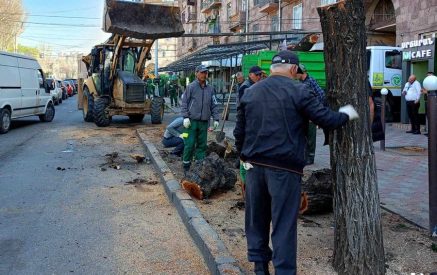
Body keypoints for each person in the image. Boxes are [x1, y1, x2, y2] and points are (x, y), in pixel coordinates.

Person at [234, 50, 359, 275]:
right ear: (293, 69)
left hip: (253, 167)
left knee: (256, 219)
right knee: (283, 225)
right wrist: (348, 114)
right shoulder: (299, 90)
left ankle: (260, 268)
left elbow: (239, 132)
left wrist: (244, 158)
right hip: (284, 169)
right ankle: (284, 271)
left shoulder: (250, 92)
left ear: (271, 69)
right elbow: (325, 119)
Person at [181, 64, 220, 174]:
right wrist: (185, 117)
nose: (204, 74)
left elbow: (214, 104)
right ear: (196, 73)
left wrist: (216, 118)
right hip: (191, 122)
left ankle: (199, 166)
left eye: (205, 72)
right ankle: (186, 166)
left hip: (204, 122)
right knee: (189, 144)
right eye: (202, 72)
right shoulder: (191, 87)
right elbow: (184, 103)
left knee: (202, 145)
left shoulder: (211, 89)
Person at [296, 64, 325, 165]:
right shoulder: (300, 82)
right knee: (304, 136)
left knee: (311, 137)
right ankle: (304, 156)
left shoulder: (311, 81)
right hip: (303, 114)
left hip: (311, 115)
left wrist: (315, 110)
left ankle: (310, 157)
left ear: (302, 72)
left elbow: (321, 94)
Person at [421, 72, 434, 136]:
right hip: (427, 101)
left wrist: (426, 92)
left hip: (432, 102)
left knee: (432, 117)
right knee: (428, 117)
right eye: (427, 76)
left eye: (429, 76)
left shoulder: (434, 84)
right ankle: (430, 132)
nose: (427, 78)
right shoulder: (427, 84)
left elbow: (434, 94)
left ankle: (432, 133)